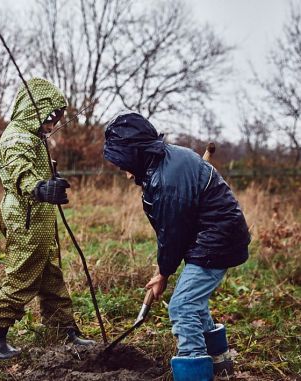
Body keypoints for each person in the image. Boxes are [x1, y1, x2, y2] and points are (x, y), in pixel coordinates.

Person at [103, 112, 250, 381]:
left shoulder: (166, 180)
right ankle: (219, 362)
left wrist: (163, 274)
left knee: (182, 306)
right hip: (211, 237)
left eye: (123, 163)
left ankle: (194, 372)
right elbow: (173, 230)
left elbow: (172, 234)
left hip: (217, 241)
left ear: (135, 153)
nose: (125, 174)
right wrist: (164, 270)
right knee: (194, 301)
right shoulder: (166, 160)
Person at [0, 78, 95, 360]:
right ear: (35, 109)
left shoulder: (34, 137)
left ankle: (61, 329)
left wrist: (53, 182)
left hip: (40, 218)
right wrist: (40, 187)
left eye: (57, 119)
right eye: (50, 117)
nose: (53, 124)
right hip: (26, 219)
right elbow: (19, 170)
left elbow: (36, 169)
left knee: (51, 275)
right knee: (22, 275)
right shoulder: (17, 138)